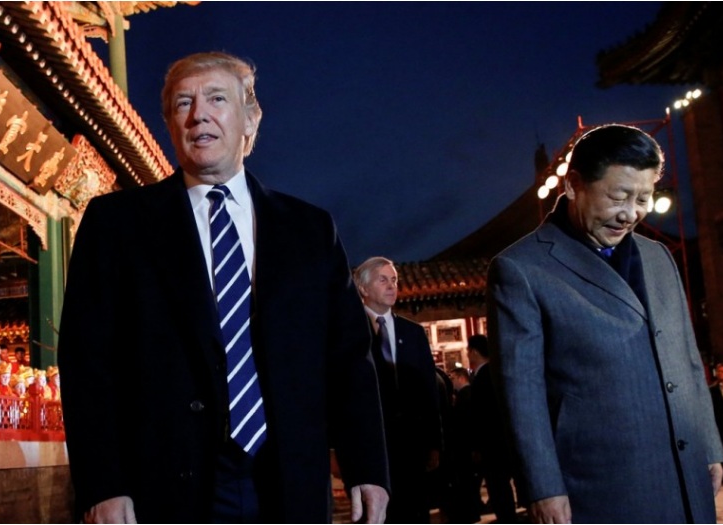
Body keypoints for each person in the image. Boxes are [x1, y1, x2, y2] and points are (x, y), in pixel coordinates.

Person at [58, 51, 389, 523]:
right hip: (164, 486)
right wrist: (104, 485)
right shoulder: (116, 225)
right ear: (170, 125)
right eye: (183, 103)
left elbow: (348, 359)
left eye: (217, 99)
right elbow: (87, 363)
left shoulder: (310, 231)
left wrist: (367, 467)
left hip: (287, 477)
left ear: (250, 119)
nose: (199, 115)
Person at [487, 124, 723, 523]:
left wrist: (710, 445)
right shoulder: (521, 268)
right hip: (600, 483)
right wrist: (543, 487)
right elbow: (521, 393)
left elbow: (685, 358)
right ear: (574, 184)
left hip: (686, 469)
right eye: (618, 197)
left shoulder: (658, 257)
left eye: (643, 199)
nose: (630, 213)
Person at [354, 256, 442, 523]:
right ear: (363, 288)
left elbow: (429, 392)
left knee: (415, 513)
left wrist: (434, 443)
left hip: (412, 446)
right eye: (383, 280)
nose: (392, 286)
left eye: (394, 280)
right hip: (370, 446)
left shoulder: (413, 333)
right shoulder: (349, 333)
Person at [466, 334, 516, 523]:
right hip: (501, 442)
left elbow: (482, 416)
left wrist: (477, 446)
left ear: (474, 352)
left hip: (492, 445)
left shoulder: (483, 377)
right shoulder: (496, 372)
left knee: (498, 488)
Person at [445, 366, 482, 524]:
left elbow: (469, 423)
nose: (451, 382)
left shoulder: (466, 395)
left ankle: (471, 513)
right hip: (466, 446)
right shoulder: (464, 395)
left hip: (465, 446)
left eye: (453, 378)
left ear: (461, 377)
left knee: (468, 482)